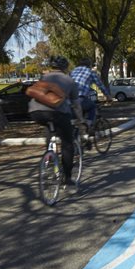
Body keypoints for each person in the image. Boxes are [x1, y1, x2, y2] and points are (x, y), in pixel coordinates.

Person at [29, 56, 84, 188]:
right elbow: (76, 105)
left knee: (49, 127)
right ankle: (67, 177)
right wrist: (81, 120)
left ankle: (49, 156)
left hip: (35, 112)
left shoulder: (43, 77)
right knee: (67, 144)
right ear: (65, 68)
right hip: (58, 113)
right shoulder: (70, 81)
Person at [70, 57, 111, 130]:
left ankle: (77, 138)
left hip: (69, 100)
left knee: (75, 121)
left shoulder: (72, 71)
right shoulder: (90, 72)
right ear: (89, 65)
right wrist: (108, 96)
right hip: (80, 99)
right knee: (92, 106)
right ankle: (88, 125)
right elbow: (100, 85)